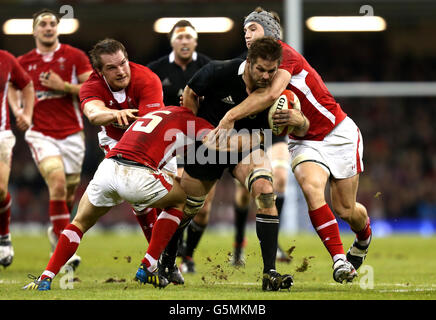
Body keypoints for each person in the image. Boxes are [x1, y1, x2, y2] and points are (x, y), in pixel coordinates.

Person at [214, 7, 372, 283]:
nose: (247, 35)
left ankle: (363, 238)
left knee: (346, 210)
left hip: (338, 132)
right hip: (303, 141)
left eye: (253, 29)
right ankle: (339, 261)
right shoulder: (250, 64)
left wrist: (230, 116)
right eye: (245, 31)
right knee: (312, 191)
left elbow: (272, 94)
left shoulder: (284, 54)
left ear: (270, 32)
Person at [160, 37, 306, 291]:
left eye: (272, 71)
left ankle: (269, 272)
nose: (265, 76)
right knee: (187, 207)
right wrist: (197, 133)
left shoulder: (279, 91)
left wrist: (299, 120)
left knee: (265, 192)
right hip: (208, 146)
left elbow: (301, 128)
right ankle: (168, 261)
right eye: (260, 69)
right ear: (248, 63)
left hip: (247, 147)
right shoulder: (219, 71)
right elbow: (189, 94)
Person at [22, 105, 218, 291]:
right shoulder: (193, 121)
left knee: (79, 223)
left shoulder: (162, 112)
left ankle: (45, 278)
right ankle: (149, 266)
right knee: (182, 198)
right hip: (138, 174)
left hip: (108, 168)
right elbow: (221, 142)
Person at [79, 38, 185, 284]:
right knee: (141, 198)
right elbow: (93, 113)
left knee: (176, 198)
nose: (121, 70)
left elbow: (149, 129)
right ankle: (157, 263)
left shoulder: (147, 79)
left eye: (123, 63)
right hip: (115, 143)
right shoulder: (91, 87)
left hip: (155, 139)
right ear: (99, 72)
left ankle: (166, 261)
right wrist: (114, 114)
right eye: (112, 68)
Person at [12, 9, 93, 269]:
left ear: (58, 29)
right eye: (42, 24)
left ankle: (56, 231)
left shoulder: (74, 56)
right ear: (34, 31)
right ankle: (63, 248)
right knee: (56, 183)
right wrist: (21, 112)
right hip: (40, 133)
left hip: (72, 134)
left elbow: (92, 88)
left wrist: (64, 87)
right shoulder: (22, 62)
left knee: (67, 194)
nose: (48, 28)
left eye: (52, 24)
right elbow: (11, 91)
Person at [147, 19, 213, 273]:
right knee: (176, 201)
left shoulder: (208, 67)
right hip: (169, 143)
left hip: (202, 142)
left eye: (189, 38)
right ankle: (172, 256)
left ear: (195, 41)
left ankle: (187, 255)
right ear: (172, 41)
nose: (184, 41)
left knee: (203, 210)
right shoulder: (156, 70)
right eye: (180, 37)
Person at [0, 50, 34, 268]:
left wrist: (26, 113)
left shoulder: (5, 59)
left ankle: (3, 236)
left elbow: (27, 86)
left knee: (0, 190)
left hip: (1, 132)